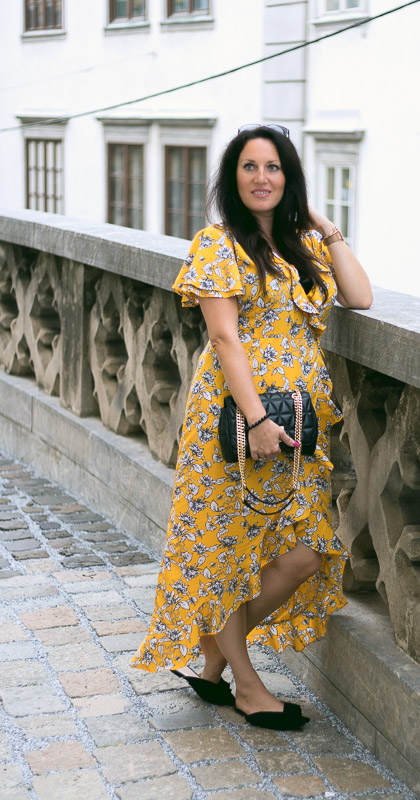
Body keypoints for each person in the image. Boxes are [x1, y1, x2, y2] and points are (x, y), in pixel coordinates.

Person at [131, 124, 373, 730]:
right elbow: (224, 337)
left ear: (288, 179)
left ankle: (213, 659)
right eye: (249, 167)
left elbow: (361, 296)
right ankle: (245, 684)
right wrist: (257, 419)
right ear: (232, 179)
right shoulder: (217, 244)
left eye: (274, 168)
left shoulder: (305, 248)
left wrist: (323, 226)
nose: (261, 178)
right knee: (224, 555)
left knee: (305, 554)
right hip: (235, 422)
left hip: (301, 425)